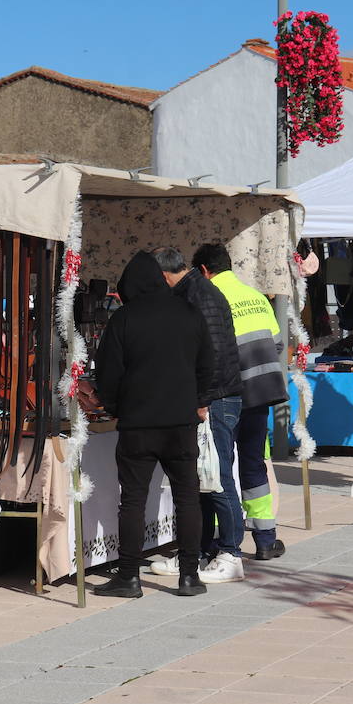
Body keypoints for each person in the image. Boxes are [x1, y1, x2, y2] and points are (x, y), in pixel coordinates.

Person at [92, 251, 215, 599]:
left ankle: (129, 577)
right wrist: (198, 401)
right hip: (181, 422)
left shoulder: (124, 319)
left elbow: (108, 374)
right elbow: (208, 365)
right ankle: (190, 575)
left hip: (138, 425)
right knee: (187, 498)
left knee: (132, 500)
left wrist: (116, 408)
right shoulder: (189, 314)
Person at [149, 246, 247, 584]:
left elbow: (212, 352)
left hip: (216, 400)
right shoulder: (193, 291)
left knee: (217, 477)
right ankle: (198, 551)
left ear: (163, 275)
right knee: (200, 479)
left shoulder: (199, 294)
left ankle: (231, 553)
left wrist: (202, 399)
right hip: (210, 398)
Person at [191, 243, 289, 561]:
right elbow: (276, 343)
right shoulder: (255, 296)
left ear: (204, 271)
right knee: (253, 462)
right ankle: (265, 538)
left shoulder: (209, 298)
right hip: (261, 393)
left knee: (220, 464)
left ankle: (223, 538)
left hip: (226, 395)